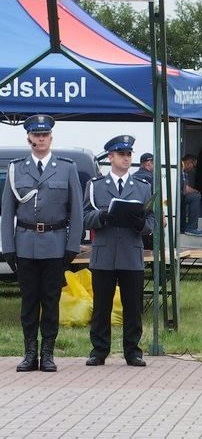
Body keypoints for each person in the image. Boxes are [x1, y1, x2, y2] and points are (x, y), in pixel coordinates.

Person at [1, 114, 83, 372]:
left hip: (55, 244)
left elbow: (77, 211)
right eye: (37, 135)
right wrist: (8, 248)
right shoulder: (16, 168)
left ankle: (47, 353)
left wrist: (72, 246)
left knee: (50, 301)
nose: (41, 139)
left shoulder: (66, 168)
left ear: (51, 137)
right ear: (29, 138)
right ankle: (29, 353)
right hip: (24, 244)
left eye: (45, 135)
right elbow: (7, 212)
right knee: (28, 302)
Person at [83, 135, 155, 367]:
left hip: (131, 251)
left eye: (129, 154)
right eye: (121, 154)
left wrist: (141, 225)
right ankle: (99, 350)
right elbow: (85, 217)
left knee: (133, 306)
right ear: (110, 157)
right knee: (101, 306)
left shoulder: (143, 187)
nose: (126, 158)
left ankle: (133, 351)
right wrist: (102, 216)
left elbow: (152, 220)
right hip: (104, 252)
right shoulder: (95, 186)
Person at [180, 154, 202, 237]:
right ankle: (191, 228)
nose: (193, 169)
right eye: (193, 166)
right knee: (195, 197)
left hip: (179, 196)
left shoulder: (184, 172)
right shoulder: (180, 168)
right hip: (175, 196)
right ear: (188, 162)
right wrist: (197, 192)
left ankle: (183, 226)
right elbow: (185, 189)